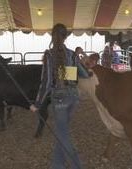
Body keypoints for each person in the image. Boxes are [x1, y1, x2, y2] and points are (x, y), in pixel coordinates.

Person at [30, 23, 91, 169]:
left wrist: (37, 104)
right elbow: (83, 74)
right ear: (65, 37)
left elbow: (47, 82)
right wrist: (87, 69)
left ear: (52, 35)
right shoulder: (71, 54)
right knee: (61, 131)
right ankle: (57, 165)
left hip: (59, 99)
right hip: (73, 98)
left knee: (62, 135)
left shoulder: (49, 55)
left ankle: (77, 166)